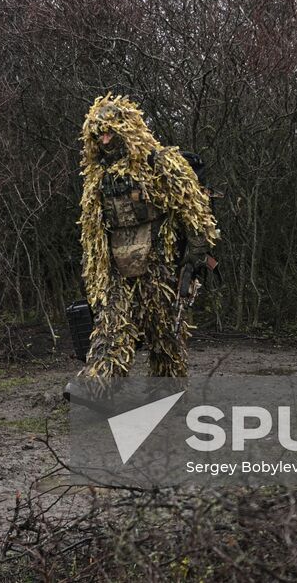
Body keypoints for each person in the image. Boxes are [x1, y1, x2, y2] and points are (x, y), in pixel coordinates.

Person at [78, 94, 218, 380]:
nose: (105, 142)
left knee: (163, 335)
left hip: (158, 266)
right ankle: (97, 390)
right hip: (115, 270)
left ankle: (168, 392)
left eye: (110, 134)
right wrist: (95, 276)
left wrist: (191, 262)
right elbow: (92, 232)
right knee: (111, 329)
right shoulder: (97, 178)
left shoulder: (161, 164)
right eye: (99, 136)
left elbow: (194, 212)